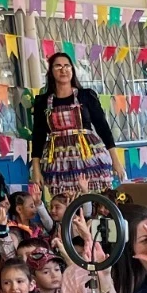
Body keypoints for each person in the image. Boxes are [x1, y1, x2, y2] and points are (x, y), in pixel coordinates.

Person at [29, 51, 122, 197]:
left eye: (67, 66)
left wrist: (115, 160)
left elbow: (103, 128)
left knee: (92, 198)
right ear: (51, 72)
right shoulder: (43, 101)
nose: (63, 69)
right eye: (58, 66)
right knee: (64, 202)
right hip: (58, 160)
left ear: (72, 70)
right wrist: (36, 169)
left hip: (87, 156)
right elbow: (38, 137)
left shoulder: (86, 96)